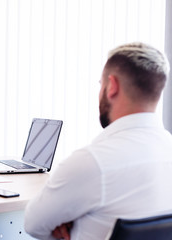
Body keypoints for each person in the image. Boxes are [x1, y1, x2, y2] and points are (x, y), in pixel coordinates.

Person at [24, 42, 172, 240]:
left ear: (112, 86)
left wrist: (72, 224)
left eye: (100, 83)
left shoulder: (92, 161)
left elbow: (33, 224)